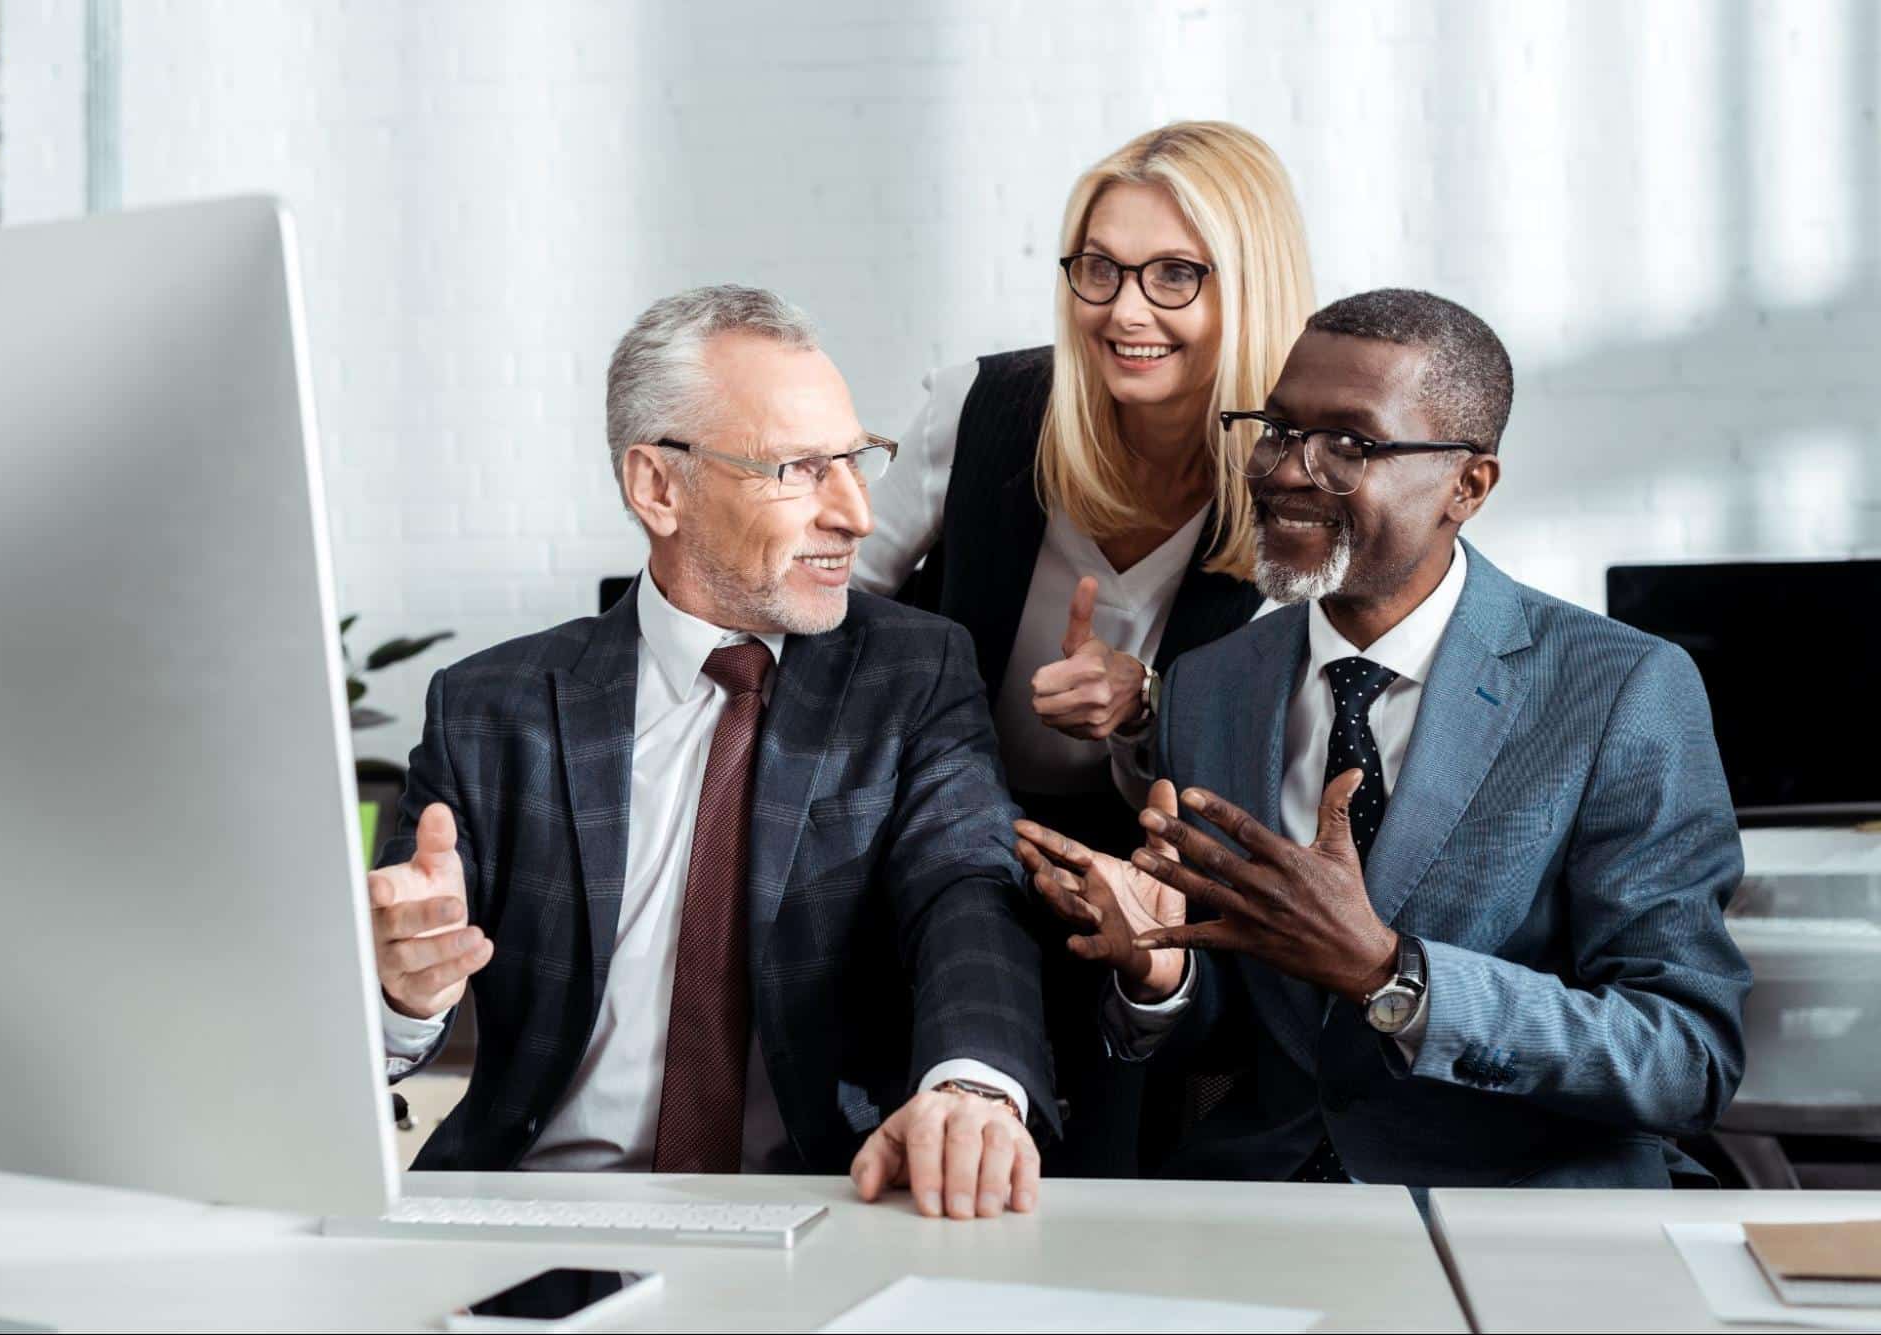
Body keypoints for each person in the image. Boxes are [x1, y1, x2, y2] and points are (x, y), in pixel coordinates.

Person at [1016, 288, 1751, 1189]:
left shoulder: (1620, 688)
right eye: (1278, 430)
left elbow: (1684, 1058)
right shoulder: (1209, 686)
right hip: (1257, 1205)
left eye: (1349, 445)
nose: (1287, 469)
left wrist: (1389, 975)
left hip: (1515, 1215)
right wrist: (1161, 974)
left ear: (1466, 486)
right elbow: (1252, 1027)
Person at [370, 285, 1056, 1221]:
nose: (855, 513)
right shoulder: (491, 707)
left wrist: (972, 1086)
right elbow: (391, 981)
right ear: (658, 487)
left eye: (856, 461)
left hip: (826, 1207)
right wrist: (401, 995)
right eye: (799, 470)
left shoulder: (913, 672)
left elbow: (966, 888)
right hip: (539, 1210)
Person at [853, 121, 1315, 1175]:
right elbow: (834, 605)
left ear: (1247, 286)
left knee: (1118, 1159)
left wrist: (1145, 706)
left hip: (1145, 879)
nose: (1123, 310)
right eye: (1099, 268)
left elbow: (1277, 752)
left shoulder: (1295, 483)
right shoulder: (983, 406)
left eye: (1172, 275)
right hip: (944, 841)